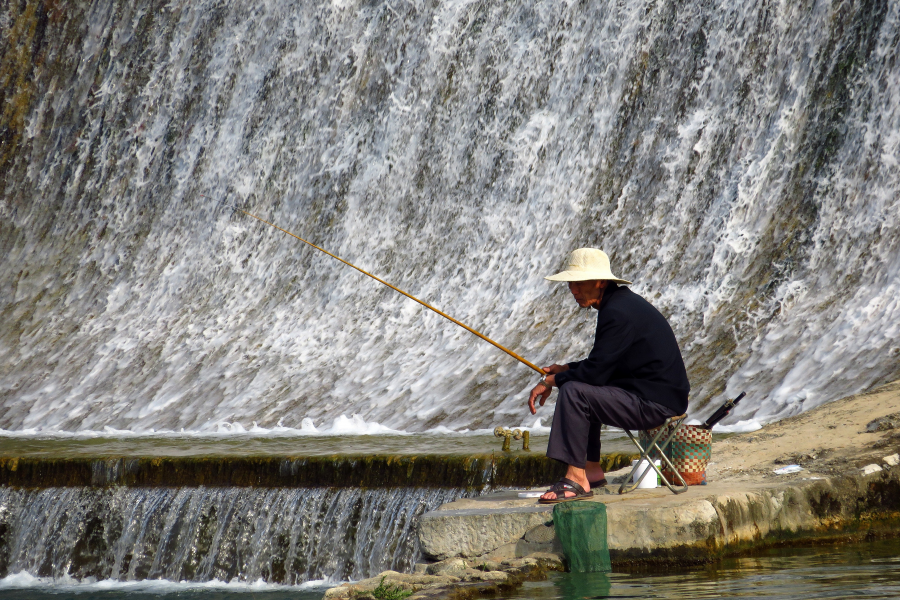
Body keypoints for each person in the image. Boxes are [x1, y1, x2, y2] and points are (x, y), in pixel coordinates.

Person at [528, 248, 690, 503]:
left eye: (579, 283)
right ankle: (591, 470)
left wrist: (552, 381)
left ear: (600, 282)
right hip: (651, 396)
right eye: (571, 283)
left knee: (574, 391)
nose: (573, 290)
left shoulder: (617, 312)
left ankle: (575, 479)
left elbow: (595, 373)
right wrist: (567, 369)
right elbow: (606, 363)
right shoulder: (621, 304)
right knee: (579, 386)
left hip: (655, 405)